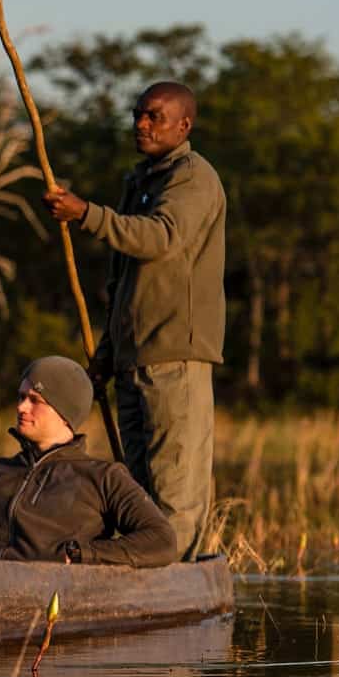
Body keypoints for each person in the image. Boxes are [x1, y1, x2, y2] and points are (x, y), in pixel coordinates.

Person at [43, 81, 225, 560]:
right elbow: (125, 281)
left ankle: (177, 589)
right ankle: (143, 582)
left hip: (174, 359)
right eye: (137, 115)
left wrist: (86, 214)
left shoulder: (192, 178)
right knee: (137, 493)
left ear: (184, 126)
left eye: (153, 117)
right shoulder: (141, 181)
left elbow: (161, 238)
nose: (141, 125)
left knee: (174, 492)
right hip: (132, 361)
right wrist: (106, 355)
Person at [0, 356, 175, 566]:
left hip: (48, 594)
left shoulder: (103, 477)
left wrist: (80, 553)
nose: (22, 407)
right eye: (21, 397)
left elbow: (162, 540)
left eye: (34, 400)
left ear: (64, 411)